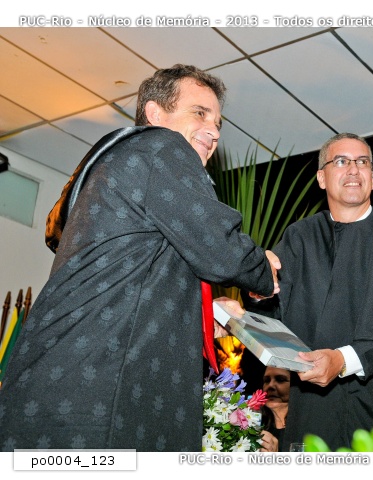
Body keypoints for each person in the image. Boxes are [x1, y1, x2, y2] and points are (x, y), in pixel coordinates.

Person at [0, 65, 280, 452]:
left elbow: (138, 280)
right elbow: (220, 247)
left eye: (218, 123)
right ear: (155, 114)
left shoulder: (127, 168)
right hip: (97, 396)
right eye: (200, 113)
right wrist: (264, 270)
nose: (214, 131)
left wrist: (203, 313)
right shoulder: (160, 146)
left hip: (69, 389)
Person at [248, 132, 373, 451]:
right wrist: (257, 293)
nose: (354, 169)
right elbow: (274, 317)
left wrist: (343, 359)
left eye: (363, 162)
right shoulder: (299, 238)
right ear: (321, 178)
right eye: (342, 161)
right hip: (314, 418)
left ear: (372, 178)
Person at [259, 366, 290, 451]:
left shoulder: (307, 429)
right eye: (266, 380)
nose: (270, 385)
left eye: (280, 380)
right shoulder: (255, 425)